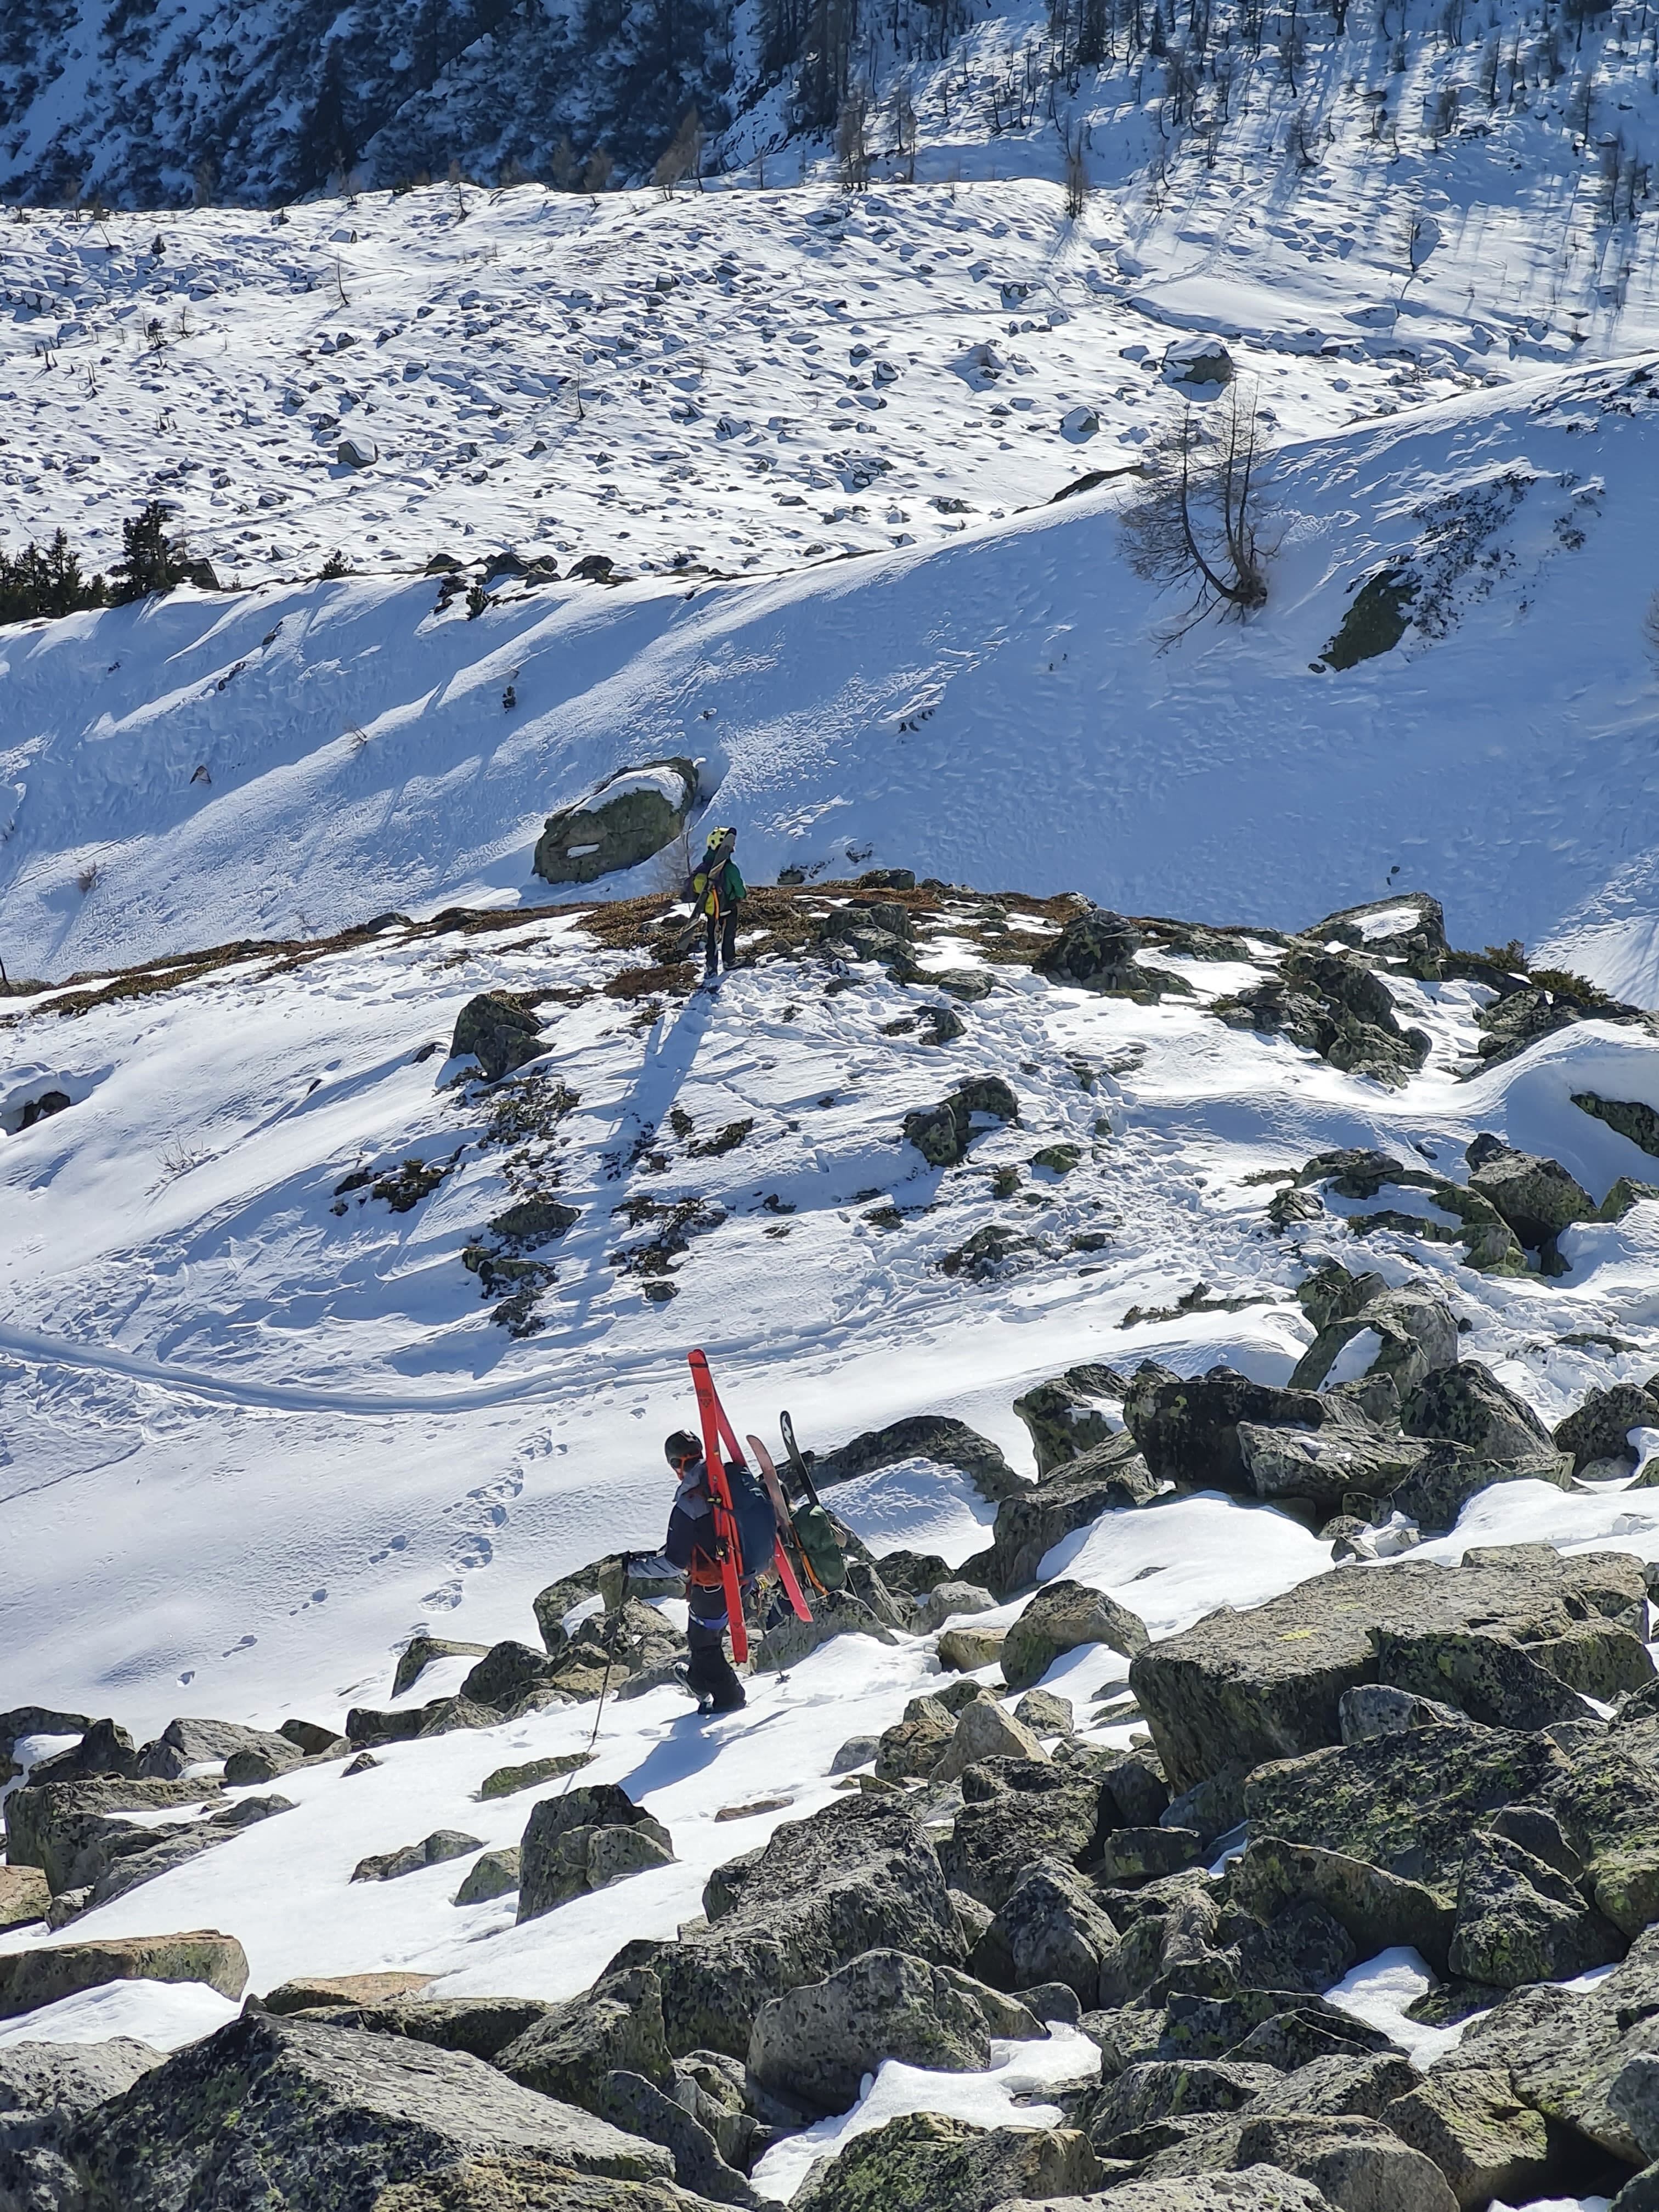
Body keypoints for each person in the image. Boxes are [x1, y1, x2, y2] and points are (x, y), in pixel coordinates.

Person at [623, 1429, 775, 1713]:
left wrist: (633, 1569)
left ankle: (729, 1698)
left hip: (713, 1587)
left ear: (676, 1464)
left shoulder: (690, 1502)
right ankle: (697, 1680)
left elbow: (674, 1562)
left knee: (704, 1644)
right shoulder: (729, 1480)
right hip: (742, 1577)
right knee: (703, 1638)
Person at [689, 826, 747, 981]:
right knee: (728, 936)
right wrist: (740, 896)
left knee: (712, 939)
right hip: (728, 908)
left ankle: (711, 967)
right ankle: (729, 961)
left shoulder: (702, 868)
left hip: (711, 910)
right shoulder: (729, 868)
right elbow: (740, 890)